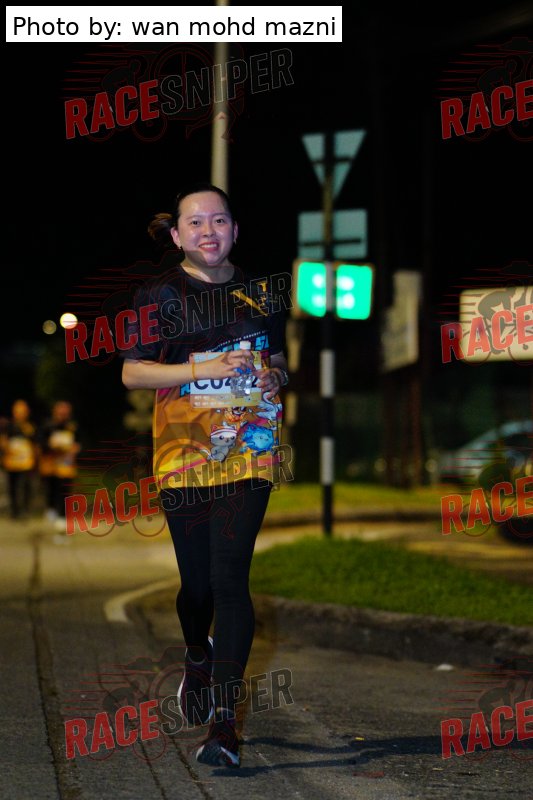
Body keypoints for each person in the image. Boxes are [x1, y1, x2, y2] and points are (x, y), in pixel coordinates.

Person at [121, 182, 289, 768]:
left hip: (250, 446)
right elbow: (133, 374)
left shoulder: (263, 294)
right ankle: (198, 652)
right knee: (196, 588)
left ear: (235, 230)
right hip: (183, 454)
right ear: (177, 235)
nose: (208, 231)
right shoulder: (159, 294)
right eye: (195, 223)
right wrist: (202, 366)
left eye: (219, 221)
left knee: (230, 579)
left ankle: (223, 727)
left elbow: (278, 359)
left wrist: (275, 377)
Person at [38, 400, 81, 534]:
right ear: (55, 412)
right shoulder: (47, 426)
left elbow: (78, 444)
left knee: (65, 490)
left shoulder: (73, 427)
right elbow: (40, 443)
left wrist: (76, 448)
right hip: (51, 465)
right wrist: (52, 446)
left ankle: (63, 517)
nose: (63, 414)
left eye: (66, 412)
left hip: (67, 465)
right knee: (52, 489)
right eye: (61, 412)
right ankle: (51, 509)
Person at [0, 399, 37, 519]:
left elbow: (35, 443)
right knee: (11, 487)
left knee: (26, 485)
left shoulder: (30, 426)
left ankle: (25, 509)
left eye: (23, 411)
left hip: (26, 462)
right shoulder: (8, 426)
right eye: (18, 411)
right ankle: (14, 511)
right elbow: (3, 441)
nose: (20, 414)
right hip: (11, 462)